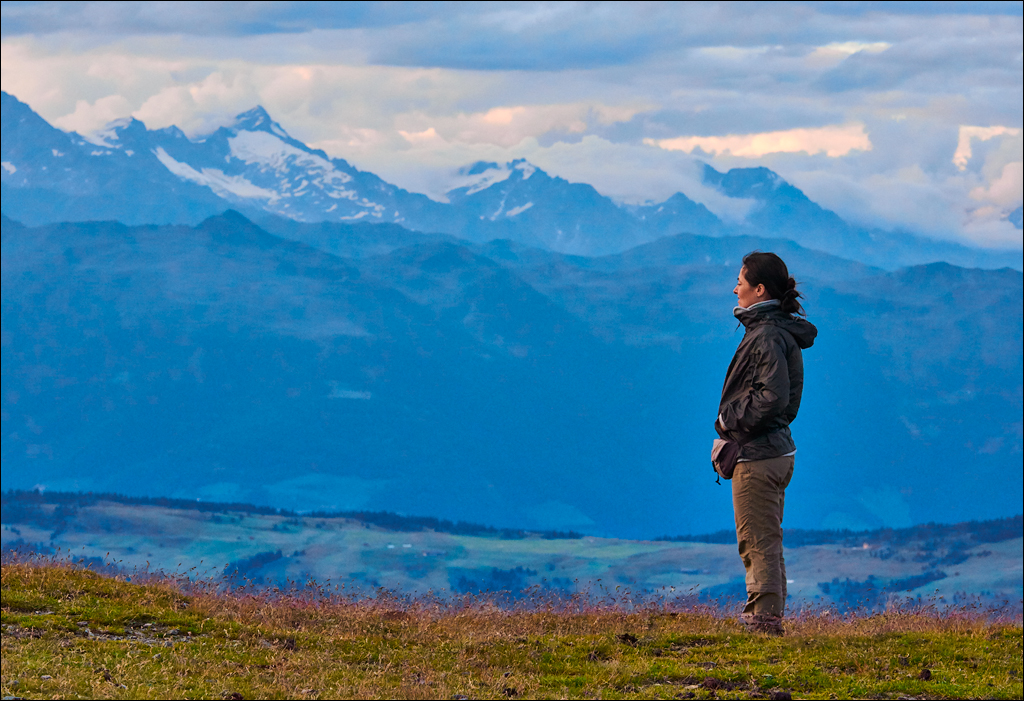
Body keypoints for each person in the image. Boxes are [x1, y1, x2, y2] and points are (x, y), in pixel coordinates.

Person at [715, 251, 817, 635]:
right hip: (772, 449)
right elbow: (782, 401)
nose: (735, 287)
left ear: (759, 289)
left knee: (756, 541)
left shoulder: (767, 335)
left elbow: (772, 397)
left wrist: (730, 419)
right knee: (765, 538)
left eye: (741, 280)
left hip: (758, 455)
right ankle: (767, 616)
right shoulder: (772, 331)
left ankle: (763, 622)